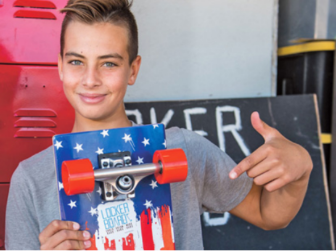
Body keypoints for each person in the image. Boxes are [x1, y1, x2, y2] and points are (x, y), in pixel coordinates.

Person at [5, 0, 313, 250]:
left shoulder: (185, 150)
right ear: (59, 66)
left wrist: (301, 168)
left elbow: (268, 213)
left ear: (133, 69)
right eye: (76, 62)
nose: (90, 79)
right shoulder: (31, 180)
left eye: (108, 63)